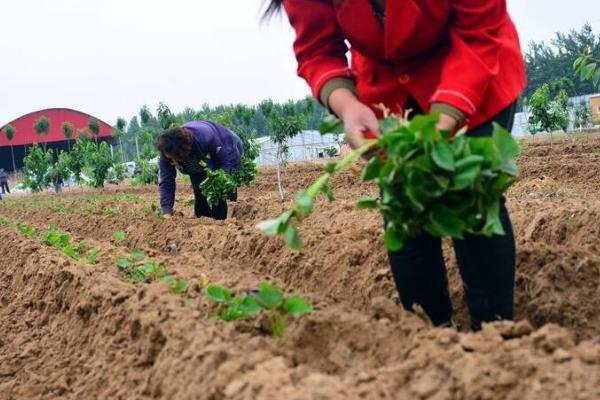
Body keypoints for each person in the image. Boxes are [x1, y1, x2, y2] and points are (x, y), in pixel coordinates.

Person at [268, 0, 526, 329]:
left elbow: (478, 29)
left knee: (471, 200)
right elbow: (317, 49)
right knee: (405, 212)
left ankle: (495, 336)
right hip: (389, 94)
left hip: (472, 68)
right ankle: (430, 338)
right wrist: (347, 105)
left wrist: (447, 115)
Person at [156, 121, 243, 220]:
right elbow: (167, 181)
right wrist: (167, 211)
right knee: (200, 193)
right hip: (199, 161)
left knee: (221, 192)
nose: (170, 160)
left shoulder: (206, 138)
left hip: (224, 144)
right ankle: (203, 221)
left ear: (181, 153)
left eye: (173, 158)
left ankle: (227, 219)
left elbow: (224, 162)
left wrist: (221, 183)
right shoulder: (167, 152)